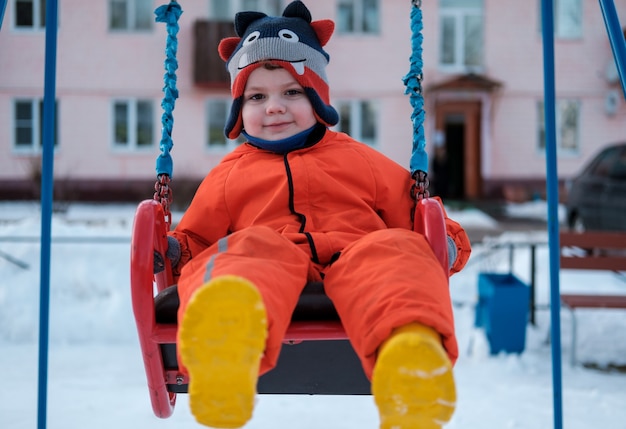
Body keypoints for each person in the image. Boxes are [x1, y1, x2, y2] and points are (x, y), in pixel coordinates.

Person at [161, 2, 471, 428]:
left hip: (357, 252)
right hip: (275, 258)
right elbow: (196, 238)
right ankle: (226, 340)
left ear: (318, 98)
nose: (274, 107)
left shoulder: (359, 158)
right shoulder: (229, 175)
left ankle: (410, 357)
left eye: (292, 92)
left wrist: (447, 241)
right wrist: (174, 251)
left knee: (396, 249)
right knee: (245, 249)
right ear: (238, 109)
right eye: (256, 96)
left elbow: (416, 215)